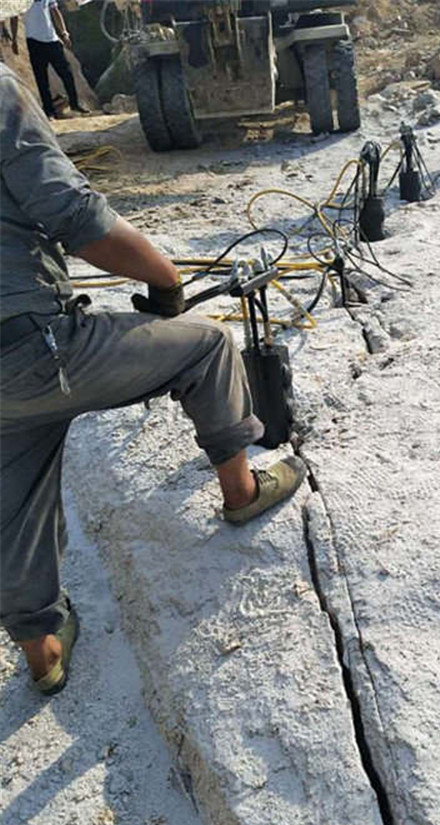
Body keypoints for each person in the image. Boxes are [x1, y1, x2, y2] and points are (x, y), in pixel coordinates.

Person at [0, 64, 306, 696]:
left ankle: (43, 650)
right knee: (207, 346)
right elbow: (75, 214)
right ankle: (243, 489)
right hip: (34, 347)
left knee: (15, 505)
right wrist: (165, 281)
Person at [10, 0, 88, 118]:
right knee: (42, 78)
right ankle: (49, 111)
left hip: (52, 39)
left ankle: (74, 103)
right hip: (34, 40)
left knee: (67, 73)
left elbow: (55, 11)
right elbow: (14, 17)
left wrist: (64, 32)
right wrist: (14, 39)